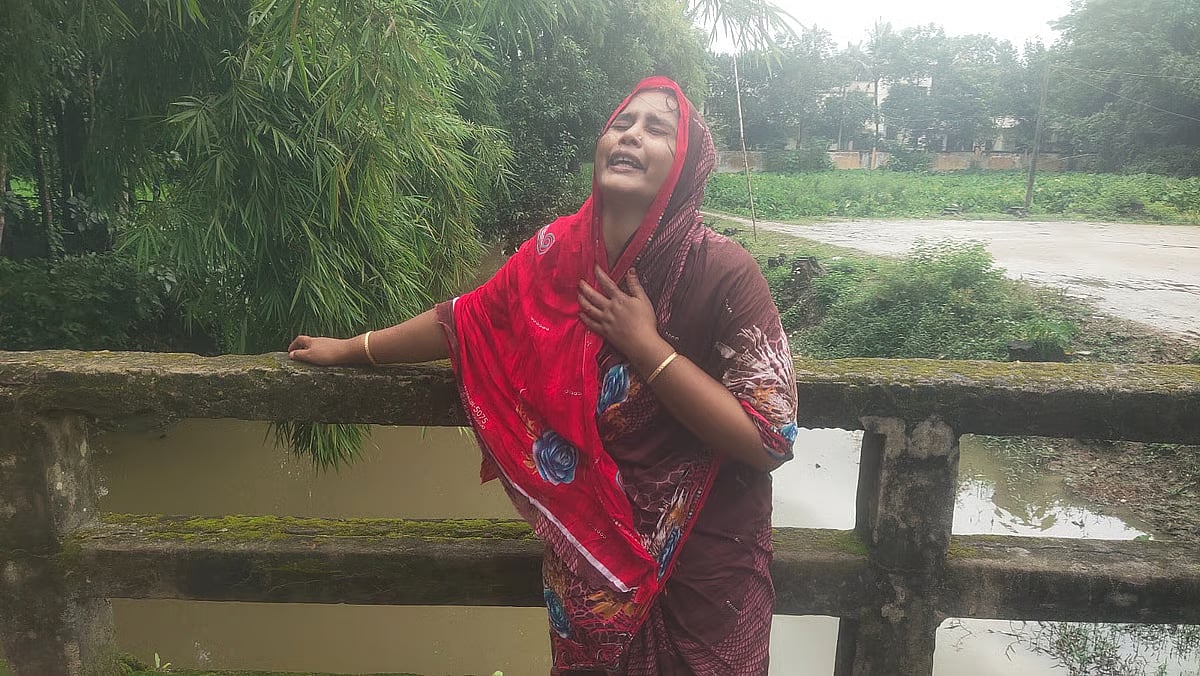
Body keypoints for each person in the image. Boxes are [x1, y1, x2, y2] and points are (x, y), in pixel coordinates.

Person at [288, 76, 798, 675]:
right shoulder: (556, 254)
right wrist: (350, 349)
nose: (631, 135)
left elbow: (771, 438)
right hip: (589, 570)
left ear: (685, 165)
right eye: (622, 123)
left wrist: (645, 346)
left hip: (707, 574)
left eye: (657, 129)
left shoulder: (725, 272)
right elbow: (464, 321)